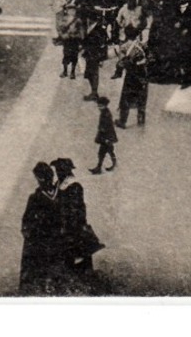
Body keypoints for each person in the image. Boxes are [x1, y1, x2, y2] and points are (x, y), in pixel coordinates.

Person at [51, 158, 103, 288]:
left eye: (61, 170)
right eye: (57, 170)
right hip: (63, 228)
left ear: (67, 171)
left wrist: (69, 226)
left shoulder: (74, 186)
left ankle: (84, 283)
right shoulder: (59, 184)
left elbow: (76, 210)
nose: (58, 172)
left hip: (73, 229)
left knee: (78, 257)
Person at [19, 162, 62, 295]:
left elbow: (27, 220)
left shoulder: (35, 197)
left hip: (42, 238)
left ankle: (37, 287)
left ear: (40, 179)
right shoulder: (61, 194)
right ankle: (51, 285)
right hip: (55, 237)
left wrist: (28, 233)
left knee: (38, 264)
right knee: (53, 263)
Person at [115, 26, 149, 127]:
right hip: (143, 74)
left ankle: (123, 121)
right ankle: (141, 119)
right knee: (142, 96)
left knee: (126, 97)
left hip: (131, 75)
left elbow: (121, 63)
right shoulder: (142, 45)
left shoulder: (124, 47)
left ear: (125, 34)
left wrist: (119, 71)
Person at [89, 97, 118, 174]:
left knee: (105, 152)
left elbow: (108, 127)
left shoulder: (106, 114)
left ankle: (104, 166)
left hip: (106, 137)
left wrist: (106, 138)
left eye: (101, 106)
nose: (99, 107)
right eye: (98, 106)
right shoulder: (104, 113)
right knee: (106, 151)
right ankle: (110, 165)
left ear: (105, 105)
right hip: (105, 137)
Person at [173, 0, 191, 88]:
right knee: (179, 57)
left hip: (188, 39)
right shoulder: (176, 11)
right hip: (178, 38)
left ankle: (187, 78)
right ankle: (182, 77)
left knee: (187, 58)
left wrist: (187, 29)